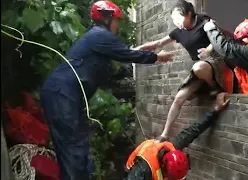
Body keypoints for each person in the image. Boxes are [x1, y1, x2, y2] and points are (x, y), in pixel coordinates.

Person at [40, 1, 172, 180]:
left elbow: (122, 53)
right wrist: (156, 57)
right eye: (116, 20)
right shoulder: (99, 35)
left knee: (78, 149)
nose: (118, 25)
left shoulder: (98, 38)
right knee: (73, 151)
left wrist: (144, 50)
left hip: (65, 95)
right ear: (107, 18)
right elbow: (127, 54)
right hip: (62, 94)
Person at [136, 0, 232, 139]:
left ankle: (215, 87)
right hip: (201, 66)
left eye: (179, 18)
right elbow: (158, 43)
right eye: (174, 20)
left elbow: (219, 38)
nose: (177, 22)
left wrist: (209, 49)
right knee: (179, 97)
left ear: (189, 13)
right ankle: (164, 135)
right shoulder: (178, 32)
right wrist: (139, 49)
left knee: (198, 67)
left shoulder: (204, 22)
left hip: (215, 60)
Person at [124, 92, 230, 180]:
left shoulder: (173, 145)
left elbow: (194, 130)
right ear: (163, 168)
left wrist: (216, 110)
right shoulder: (141, 171)